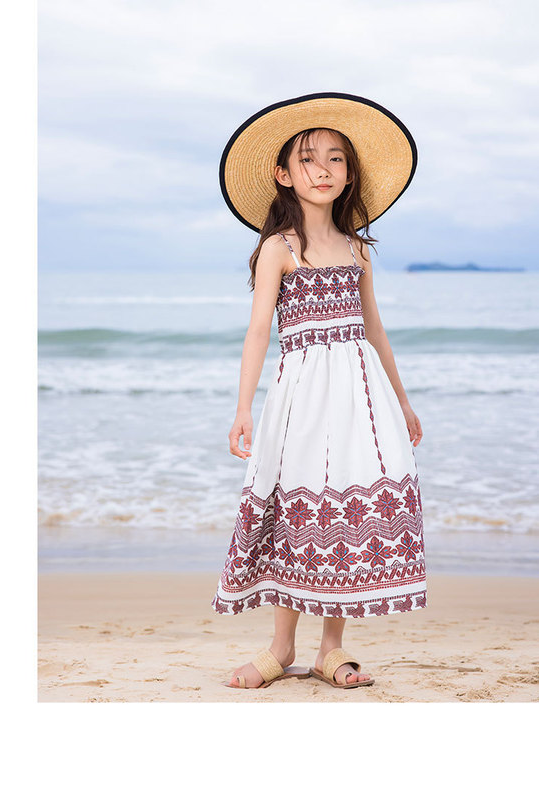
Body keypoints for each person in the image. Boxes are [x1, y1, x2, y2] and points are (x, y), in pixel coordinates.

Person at [211, 92, 427, 690]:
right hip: (302, 396)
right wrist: (243, 408)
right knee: (300, 501)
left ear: (349, 174)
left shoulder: (357, 250)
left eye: (336, 159)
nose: (323, 169)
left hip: (361, 395)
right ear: (283, 174)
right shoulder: (278, 249)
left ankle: (332, 649)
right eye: (307, 159)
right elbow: (259, 331)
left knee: (345, 505)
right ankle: (281, 648)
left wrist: (403, 401)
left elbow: (374, 329)